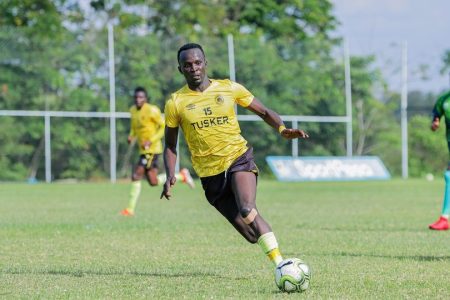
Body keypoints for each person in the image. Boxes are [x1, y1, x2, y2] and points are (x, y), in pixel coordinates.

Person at [160, 43, 309, 270]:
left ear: (205, 63)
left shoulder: (229, 88)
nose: (194, 68)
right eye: (187, 65)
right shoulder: (176, 102)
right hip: (210, 174)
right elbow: (170, 145)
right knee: (251, 235)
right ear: (180, 69)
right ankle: (277, 257)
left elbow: (264, 111)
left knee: (247, 208)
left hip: (238, 157)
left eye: (197, 62)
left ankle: (282, 265)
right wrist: (170, 174)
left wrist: (282, 129)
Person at [120, 87, 195, 217]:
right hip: (142, 149)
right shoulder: (132, 110)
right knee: (153, 181)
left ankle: (130, 209)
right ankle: (182, 176)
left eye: (141, 97)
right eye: (136, 97)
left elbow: (163, 127)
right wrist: (131, 136)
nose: (138, 100)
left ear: (146, 99)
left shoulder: (152, 110)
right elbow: (134, 128)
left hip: (153, 149)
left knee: (136, 175)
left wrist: (151, 140)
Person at [428, 90, 450, 230]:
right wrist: (435, 124)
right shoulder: (444, 100)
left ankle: (444, 218)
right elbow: (436, 117)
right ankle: (444, 218)